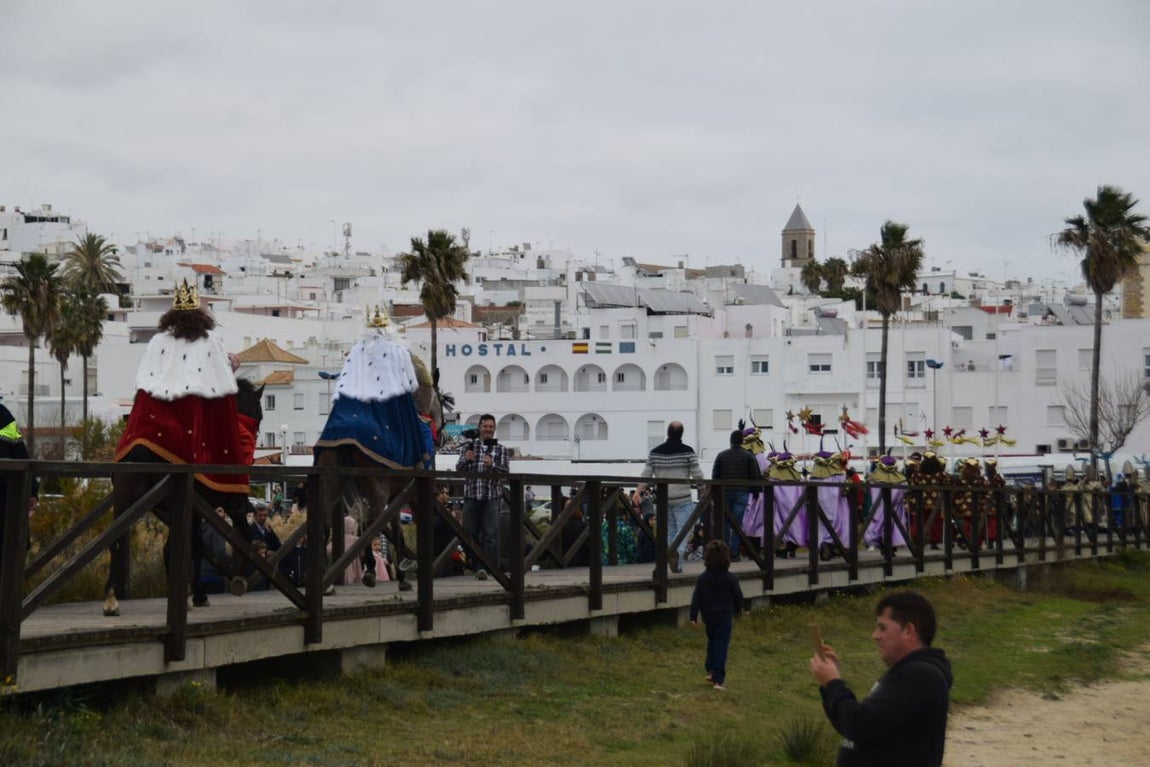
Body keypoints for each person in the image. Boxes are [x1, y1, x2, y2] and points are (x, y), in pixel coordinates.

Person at [809, 590, 953, 766]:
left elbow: (859, 725)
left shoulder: (920, 676)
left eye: (882, 627)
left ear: (908, 630)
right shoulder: (909, 672)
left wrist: (832, 683)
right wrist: (831, 683)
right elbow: (855, 727)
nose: (875, 635)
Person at [637, 421, 704, 573]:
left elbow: (646, 475)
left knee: (671, 532)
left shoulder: (655, 452)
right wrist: (704, 490)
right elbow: (698, 475)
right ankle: (677, 552)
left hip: (662, 500)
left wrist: (637, 492)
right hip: (682, 498)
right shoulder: (688, 452)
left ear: (667, 433)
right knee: (686, 530)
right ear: (682, 433)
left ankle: (677, 567)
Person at [456, 413, 509, 579]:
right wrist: (466, 460)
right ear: (480, 427)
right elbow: (459, 470)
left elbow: (505, 473)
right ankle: (474, 564)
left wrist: (492, 465)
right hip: (472, 494)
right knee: (469, 533)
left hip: (491, 495)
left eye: (491, 427)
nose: (488, 429)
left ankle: (487, 568)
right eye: (485, 426)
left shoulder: (500, 449)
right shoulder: (469, 447)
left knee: (490, 534)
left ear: (494, 429)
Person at [688, 540, 745, 690]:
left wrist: (693, 616)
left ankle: (710, 668)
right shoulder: (730, 578)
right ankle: (718, 679)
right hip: (724, 616)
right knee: (721, 646)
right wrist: (739, 611)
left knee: (712, 641)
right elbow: (738, 596)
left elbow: (696, 598)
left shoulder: (703, 578)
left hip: (708, 616)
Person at [710, 428, 762, 559]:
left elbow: (715, 475)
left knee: (725, 523)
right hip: (742, 492)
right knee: (738, 524)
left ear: (730, 441)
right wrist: (756, 493)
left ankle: (725, 551)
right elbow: (754, 476)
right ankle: (734, 553)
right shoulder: (748, 456)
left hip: (724, 492)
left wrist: (713, 493)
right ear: (742, 441)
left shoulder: (721, 455)